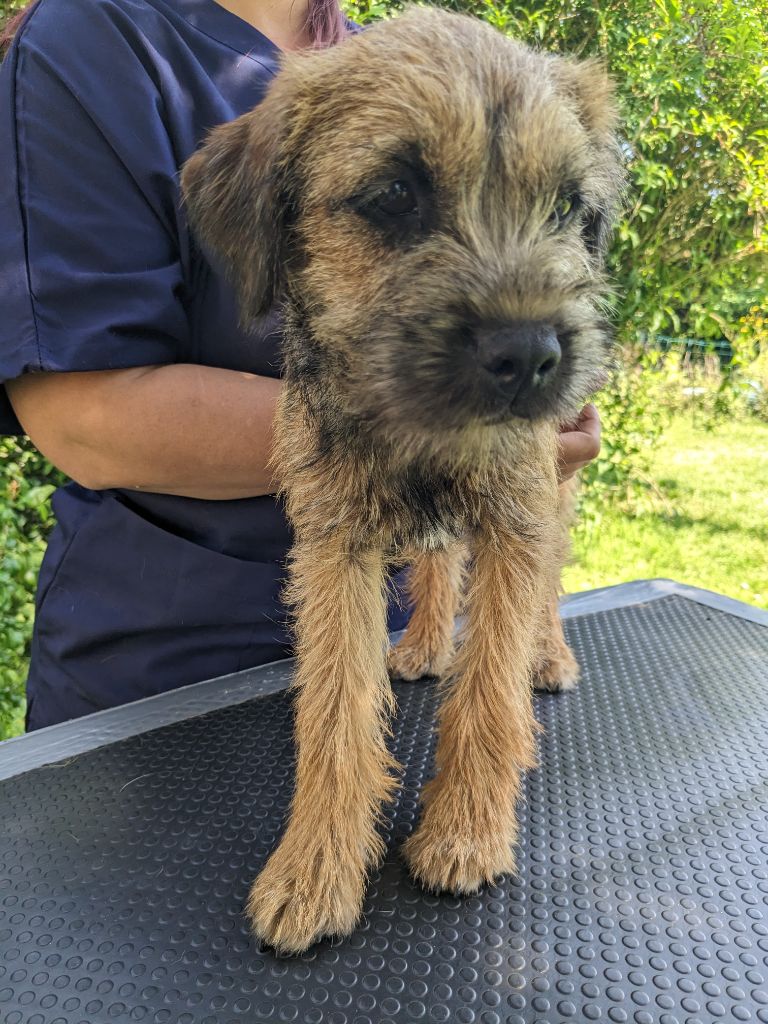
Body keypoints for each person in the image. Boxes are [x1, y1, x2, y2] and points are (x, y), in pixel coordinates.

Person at [0, 0, 601, 732]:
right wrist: (436, 428)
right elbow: (83, 420)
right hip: (166, 671)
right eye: (396, 200)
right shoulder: (90, 38)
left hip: (406, 651)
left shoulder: (394, 60)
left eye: (561, 206)